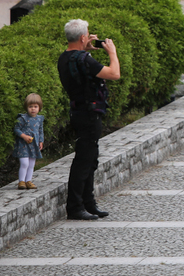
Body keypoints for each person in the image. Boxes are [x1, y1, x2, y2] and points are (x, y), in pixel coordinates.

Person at [58, 19, 120, 220]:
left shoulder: (65, 58)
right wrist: (112, 52)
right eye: (87, 35)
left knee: (90, 158)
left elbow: (81, 69)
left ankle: (89, 203)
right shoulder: (84, 60)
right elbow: (114, 73)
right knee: (84, 161)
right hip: (89, 114)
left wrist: (86, 48)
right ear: (83, 37)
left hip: (78, 112)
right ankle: (75, 207)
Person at [14, 93, 45, 190]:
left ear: (39, 107)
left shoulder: (39, 119)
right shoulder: (23, 118)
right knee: (24, 163)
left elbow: (40, 131)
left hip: (34, 145)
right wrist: (24, 136)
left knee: (31, 164)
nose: (33, 109)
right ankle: (21, 181)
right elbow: (16, 129)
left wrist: (41, 141)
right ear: (26, 107)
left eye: (35, 106)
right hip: (24, 145)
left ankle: (28, 180)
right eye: (30, 106)